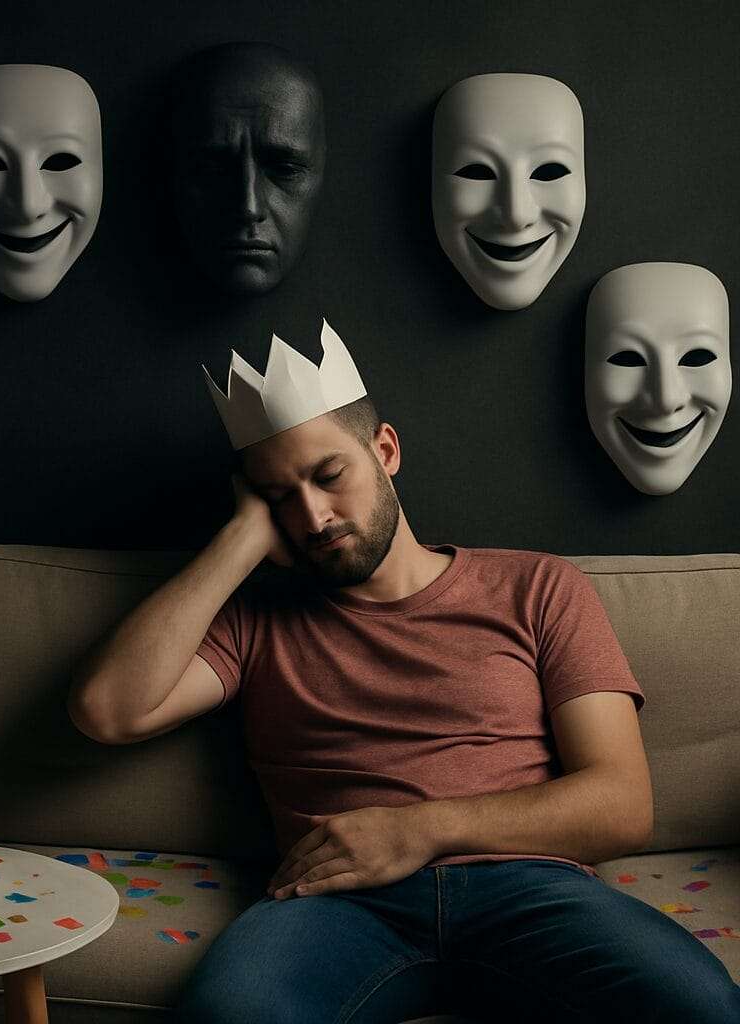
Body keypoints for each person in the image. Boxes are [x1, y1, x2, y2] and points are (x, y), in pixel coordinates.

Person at [67, 321, 739, 1022]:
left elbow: (622, 805)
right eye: (279, 498)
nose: (313, 516)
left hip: (532, 888)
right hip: (335, 904)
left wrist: (415, 830)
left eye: (329, 475)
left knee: (704, 1008)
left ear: (384, 450)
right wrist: (239, 540)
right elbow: (108, 710)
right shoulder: (256, 620)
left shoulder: (539, 587)